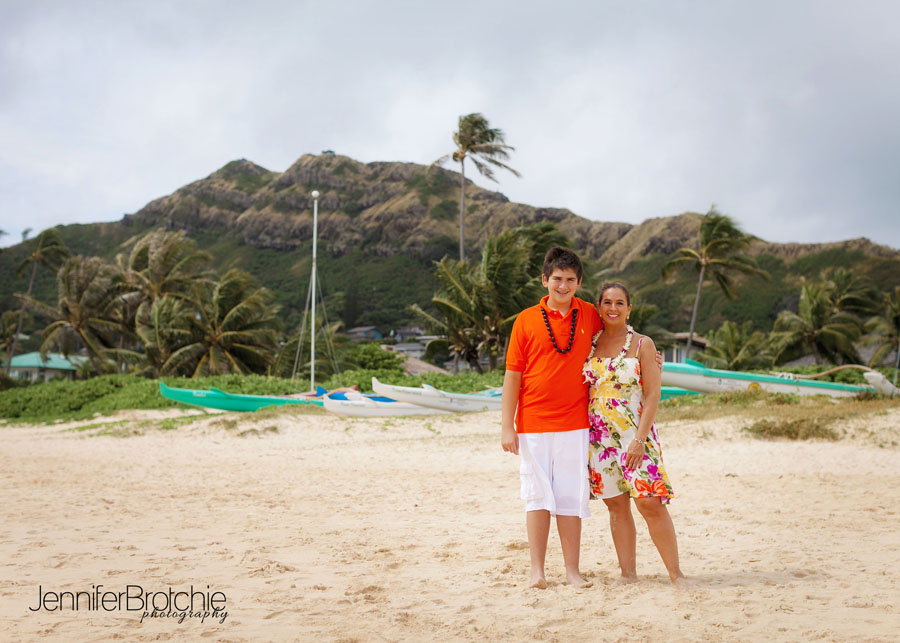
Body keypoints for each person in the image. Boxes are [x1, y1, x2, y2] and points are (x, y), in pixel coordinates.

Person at [500, 247, 600, 588]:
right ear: (544, 280)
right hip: (532, 424)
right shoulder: (525, 320)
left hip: (575, 423)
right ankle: (537, 572)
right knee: (537, 496)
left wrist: (649, 353)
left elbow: (617, 337)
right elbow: (513, 375)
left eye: (570, 280)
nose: (563, 285)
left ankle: (573, 571)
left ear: (579, 283)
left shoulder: (589, 314)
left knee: (571, 497)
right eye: (557, 279)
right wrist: (507, 426)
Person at [583, 282, 688, 586]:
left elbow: (654, 394)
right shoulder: (589, 345)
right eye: (606, 302)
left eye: (619, 303)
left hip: (636, 436)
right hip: (599, 439)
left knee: (650, 503)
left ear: (629, 308)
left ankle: (676, 574)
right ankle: (628, 574)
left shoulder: (643, 344)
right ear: (599, 307)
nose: (612, 308)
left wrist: (639, 440)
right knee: (616, 505)